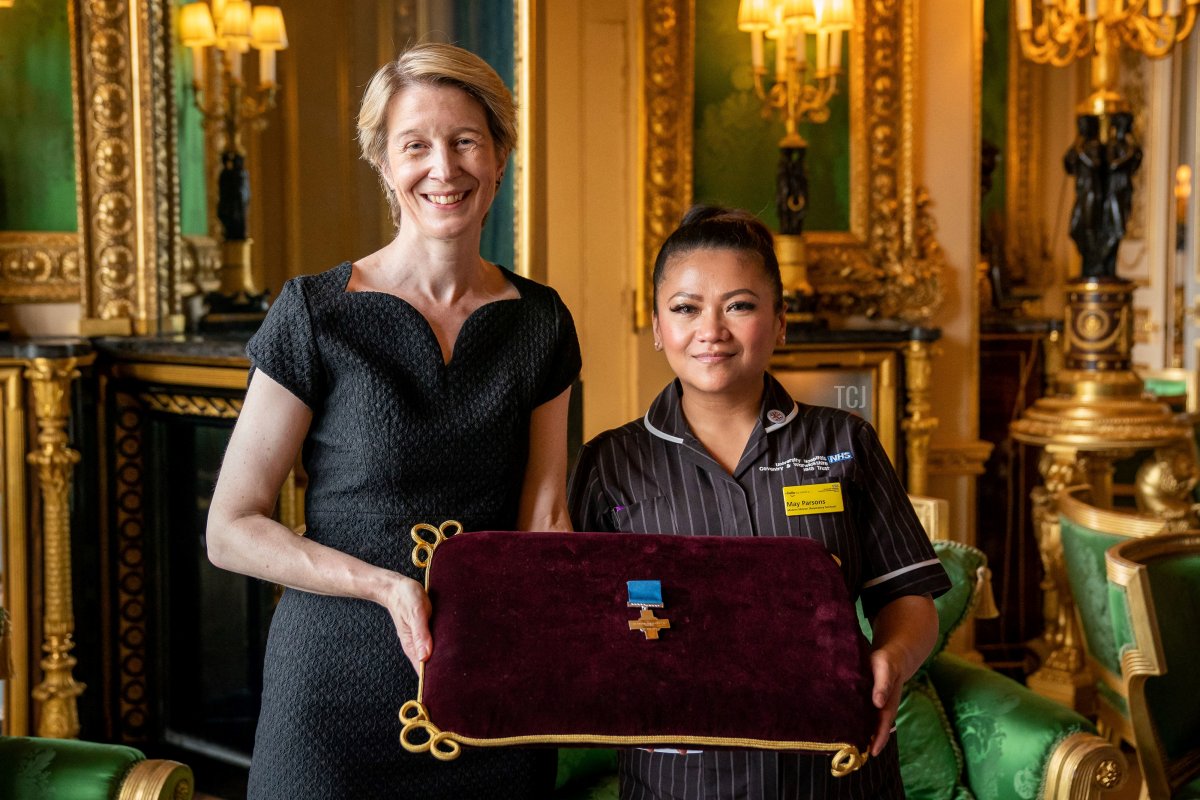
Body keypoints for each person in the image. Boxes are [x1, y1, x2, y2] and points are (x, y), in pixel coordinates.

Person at [206, 43, 580, 799]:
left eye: (467, 140)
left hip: (489, 682)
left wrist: (561, 648)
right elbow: (230, 528)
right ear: (383, 162)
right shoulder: (313, 312)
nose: (443, 168)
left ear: (501, 155)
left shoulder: (541, 321)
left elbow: (545, 514)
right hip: (331, 693)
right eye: (416, 145)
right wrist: (383, 587)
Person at [568, 206, 950, 800]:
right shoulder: (609, 463)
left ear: (780, 323)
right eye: (685, 308)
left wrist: (892, 661)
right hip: (677, 779)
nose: (711, 330)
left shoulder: (844, 443)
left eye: (740, 305)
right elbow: (577, 624)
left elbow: (906, 595)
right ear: (656, 324)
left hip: (833, 769)